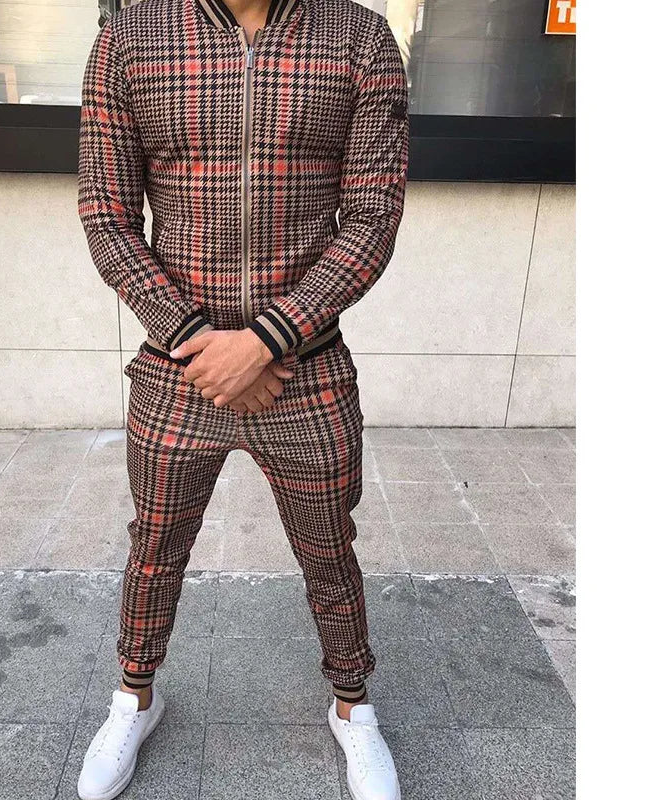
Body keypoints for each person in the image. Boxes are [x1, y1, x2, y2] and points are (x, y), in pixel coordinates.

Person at [75, 1, 409, 798]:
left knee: (329, 550)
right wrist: (200, 343)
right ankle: (134, 698)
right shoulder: (130, 39)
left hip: (306, 368)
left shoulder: (359, 38)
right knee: (155, 546)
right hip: (177, 368)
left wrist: (264, 341)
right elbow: (107, 216)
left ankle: (353, 707)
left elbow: (372, 218)